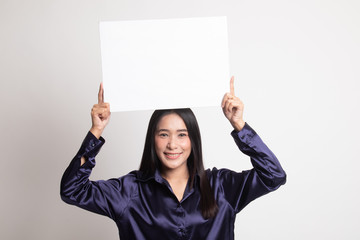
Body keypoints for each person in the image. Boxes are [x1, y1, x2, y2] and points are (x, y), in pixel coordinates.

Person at [60, 77, 286, 240]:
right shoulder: (129, 191)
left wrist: (239, 125)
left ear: (193, 140)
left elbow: (273, 176)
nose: (172, 144)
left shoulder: (221, 186)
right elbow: (72, 190)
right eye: (163, 134)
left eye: (182, 135)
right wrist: (96, 131)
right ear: (153, 139)